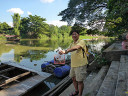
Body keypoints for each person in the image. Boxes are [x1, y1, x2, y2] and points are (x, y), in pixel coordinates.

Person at [59, 30, 88, 96]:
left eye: (75, 34)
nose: (74, 35)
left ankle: (80, 94)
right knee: (73, 78)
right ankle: (76, 91)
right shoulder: (72, 44)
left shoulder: (81, 41)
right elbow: (67, 50)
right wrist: (62, 51)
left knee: (80, 81)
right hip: (73, 65)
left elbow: (76, 47)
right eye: (72, 34)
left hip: (80, 64)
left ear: (78, 35)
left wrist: (66, 50)